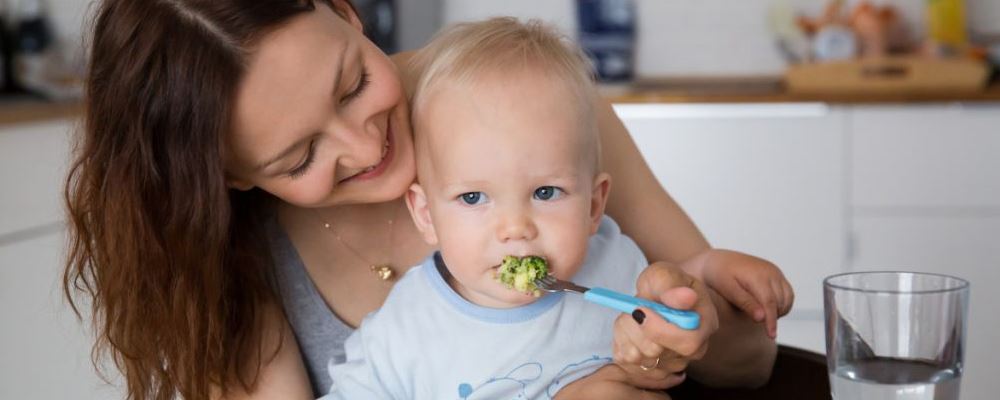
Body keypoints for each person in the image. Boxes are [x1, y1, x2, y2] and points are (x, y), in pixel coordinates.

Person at [63, 1, 792, 399]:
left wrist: (687, 328)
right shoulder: (231, 251)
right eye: (301, 156)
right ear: (231, 178)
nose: (362, 144)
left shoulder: (523, 107)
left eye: (351, 83)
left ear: (346, 12)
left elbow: (749, 360)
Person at [322, 17, 720, 399]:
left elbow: (674, 367)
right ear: (426, 215)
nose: (515, 228)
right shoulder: (402, 332)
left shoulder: (622, 270)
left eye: (546, 192)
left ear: (595, 204)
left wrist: (668, 335)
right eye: (473, 198)